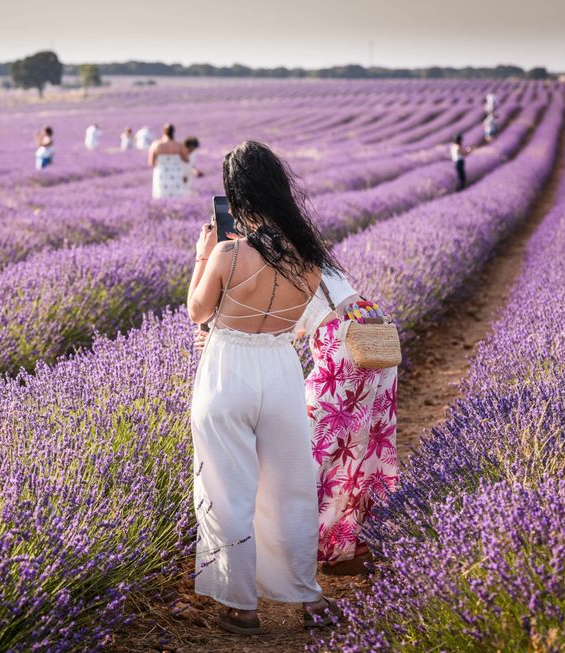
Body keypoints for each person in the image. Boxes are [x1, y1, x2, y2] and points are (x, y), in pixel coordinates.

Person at [188, 140, 338, 636]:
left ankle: (242, 606)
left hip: (228, 369)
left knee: (226, 489)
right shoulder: (309, 258)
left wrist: (201, 256)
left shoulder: (230, 253)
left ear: (237, 195)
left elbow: (198, 311)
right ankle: (308, 599)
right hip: (279, 370)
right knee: (291, 488)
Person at [293, 267, 398, 568]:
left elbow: (281, 325)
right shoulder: (313, 252)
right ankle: (356, 538)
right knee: (364, 445)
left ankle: (315, 541)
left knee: (318, 448)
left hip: (342, 347)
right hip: (371, 336)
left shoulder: (280, 256)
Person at [149, 124, 190, 199]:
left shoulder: (156, 144)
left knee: (161, 196)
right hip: (176, 174)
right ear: (173, 132)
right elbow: (186, 160)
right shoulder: (179, 145)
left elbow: (151, 162)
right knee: (177, 197)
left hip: (161, 174)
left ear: (163, 131)